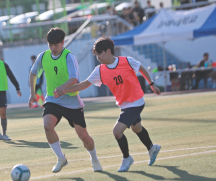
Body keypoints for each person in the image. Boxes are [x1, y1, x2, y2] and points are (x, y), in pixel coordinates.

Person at [54, 37, 161, 172]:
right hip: (124, 105)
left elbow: (142, 69)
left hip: (136, 102)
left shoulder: (127, 61)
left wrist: (151, 84)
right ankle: (152, 148)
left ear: (109, 51)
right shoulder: (100, 70)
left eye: (100, 53)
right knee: (136, 128)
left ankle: (127, 158)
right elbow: (85, 84)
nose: (98, 57)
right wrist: (65, 90)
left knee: (117, 132)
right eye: (96, 54)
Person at [28, 27, 102, 173]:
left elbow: (74, 78)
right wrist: (32, 93)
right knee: (47, 125)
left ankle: (94, 159)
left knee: (83, 136)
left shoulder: (69, 57)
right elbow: (33, 74)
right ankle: (61, 158)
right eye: (50, 45)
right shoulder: (43, 56)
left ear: (63, 42)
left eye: (56, 45)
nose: (53, 48)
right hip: (53, 100)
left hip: (71, 101)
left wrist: (63, 88)